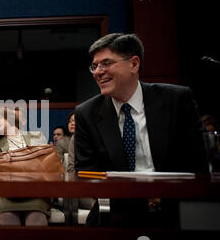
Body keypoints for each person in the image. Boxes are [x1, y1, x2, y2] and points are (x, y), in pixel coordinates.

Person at [75, 33, 208, 226]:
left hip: (175, 206)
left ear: (134, 64)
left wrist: (162, 194)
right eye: (94, 66)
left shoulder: (176, 100)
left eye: (106, 63)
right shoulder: (86, 113)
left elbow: (198, 163)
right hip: (117, 209)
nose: (98, 72)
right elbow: (86, 174)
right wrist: (137, 196)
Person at [0, 107, 50, 226]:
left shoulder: (36, 136)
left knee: (35, 218)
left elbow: (44, 162)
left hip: (35, 190)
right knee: (7, 217)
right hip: (7, 192)